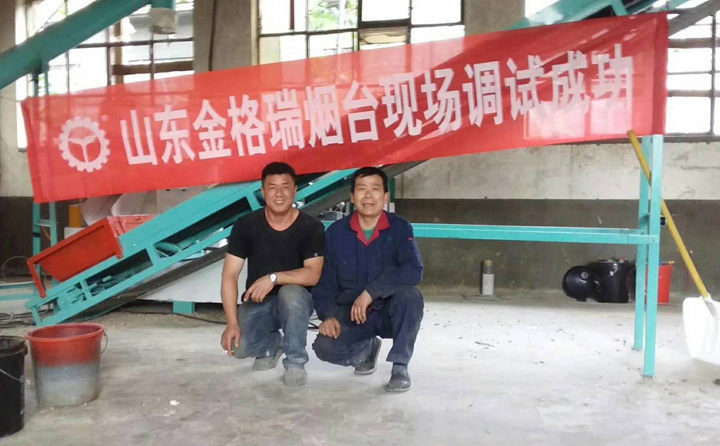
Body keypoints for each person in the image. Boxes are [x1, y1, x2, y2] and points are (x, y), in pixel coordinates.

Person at [311, 167, 424, 392]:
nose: (368, 196)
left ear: (386, 196)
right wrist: (328, 316)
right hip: (351, 314)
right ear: (352, 197)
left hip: (388, 311)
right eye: (362, 189)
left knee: (410, 297)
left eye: (375, 189)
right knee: (325, 347)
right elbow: (325, 281)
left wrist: (372, 292)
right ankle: (367, 348)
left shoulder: (400, 228)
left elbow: (413, 270)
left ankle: (400, 366)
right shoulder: (336, 233)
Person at [220, 162, 325, 387]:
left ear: (295, 190)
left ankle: (295, 362)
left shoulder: (311, 226)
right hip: (259, 302)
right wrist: (231, 323)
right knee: (238, 347)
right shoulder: (246, 225)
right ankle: (271, 344)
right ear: (263, 191)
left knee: (291, 293)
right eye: (272, 187)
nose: (279, 194)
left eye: (285, 187)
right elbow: (229, 275)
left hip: (297, 303)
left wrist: (273, 278)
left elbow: (313, 275)